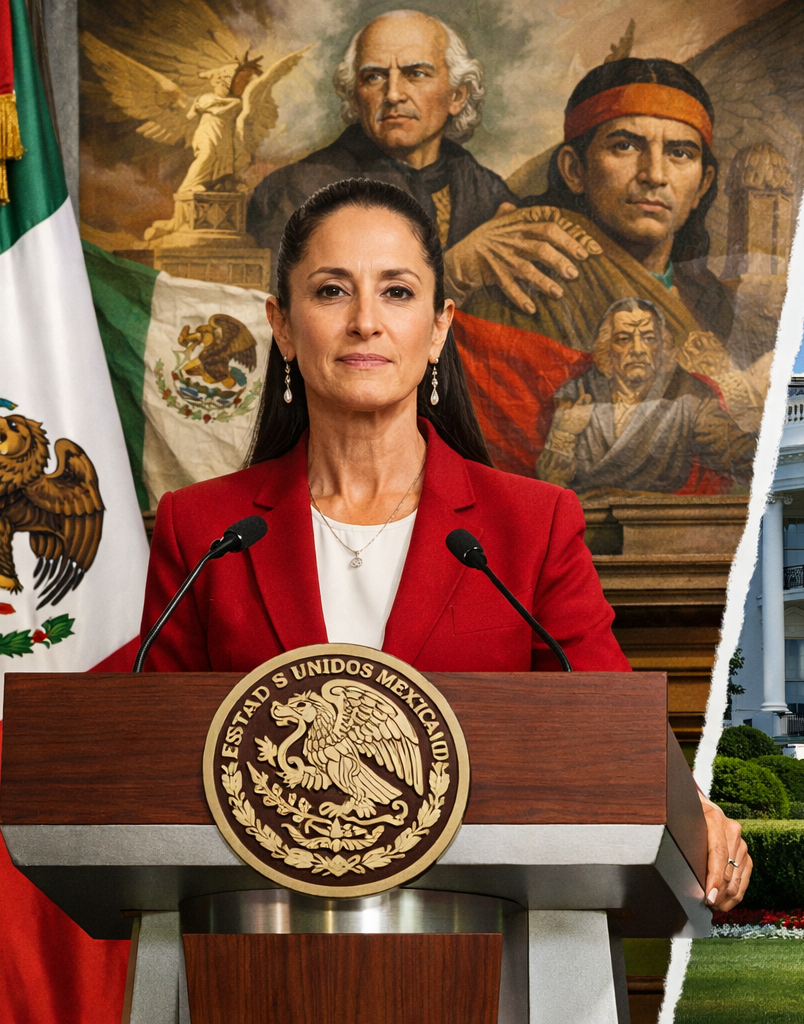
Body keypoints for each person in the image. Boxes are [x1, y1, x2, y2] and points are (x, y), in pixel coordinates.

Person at [138, 178, 750, 909]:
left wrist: (692, 813)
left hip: (490, 952)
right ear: (283, 325)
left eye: (396, 293)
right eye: (332, 291)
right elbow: (154, 761)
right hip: (257, 947)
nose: (366, 321)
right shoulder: (204, 530)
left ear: (438, 329)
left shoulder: (530, 526)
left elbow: (613, 729)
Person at [247, 10, 595, 316]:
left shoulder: (487, 191)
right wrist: (454, 271)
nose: (394, 93)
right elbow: (305, 314)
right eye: (374, 77)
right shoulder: (293, 192)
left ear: (457, 95)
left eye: (416, 74)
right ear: (356, 96)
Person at [462, 57, 735, 353]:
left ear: (702, 185)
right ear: (575, 170)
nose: (655, 175)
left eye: (680, 153)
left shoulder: (715, 307)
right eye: (625, 146)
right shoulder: (516, 296)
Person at [538, 298, 754, 495]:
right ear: (607, 348)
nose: (638, 349)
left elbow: (738, 454)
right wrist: (563, 434)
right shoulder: (578, 395)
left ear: (662, 347)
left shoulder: (689, 396)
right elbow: (551, 483)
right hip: (587, 520)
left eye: (649, 338)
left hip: (654, 523)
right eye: (624, 339)